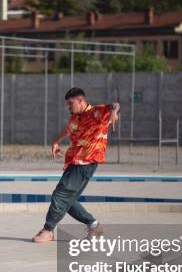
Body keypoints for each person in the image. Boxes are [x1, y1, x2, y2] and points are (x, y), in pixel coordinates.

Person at [32, 87, 120, 243]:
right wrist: (56, 141)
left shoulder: (96, 113)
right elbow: (67, 130)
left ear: (81, 101)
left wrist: (114, 111)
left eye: (71, 103)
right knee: (67, 199)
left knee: (60, 195)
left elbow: (114, 105)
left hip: (86, 163)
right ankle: (94, 226)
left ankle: (47, 230)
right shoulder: (75, 118)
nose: (69, 107)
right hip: (74, 162)